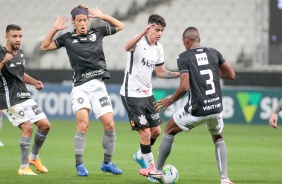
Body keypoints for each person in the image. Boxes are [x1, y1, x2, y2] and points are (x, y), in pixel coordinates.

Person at [139, 27, 236, 184]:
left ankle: (156, 171)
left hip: (198, 109)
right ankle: (225, 179)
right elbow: (231, 74)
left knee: (169, 129)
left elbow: (184, 87)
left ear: (186, 41)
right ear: (199, 39)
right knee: (217, 136)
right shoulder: (213, 52)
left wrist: (169, 100)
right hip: (216, 107)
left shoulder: (184, 57)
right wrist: (209, 72)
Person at [40, 4, 124, 176]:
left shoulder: (97, 32)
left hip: (99, 86)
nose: (83, 23)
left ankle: (107, 163)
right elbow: (44, 47)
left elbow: (120, 26)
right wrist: (55, 29)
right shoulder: (67, 38)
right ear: (74, 22)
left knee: (110, 124)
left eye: (85, 20)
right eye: (79, 21)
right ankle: (79, 165)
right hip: (81, 87)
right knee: (83, 125)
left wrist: (103, 15)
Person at [120, 14, 179, 183]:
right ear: (149, 27)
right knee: (145, 133)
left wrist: (179, 74)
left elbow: (161, 73)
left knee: (156, 131)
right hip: (131, 93)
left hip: (147, 94)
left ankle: (140, 155)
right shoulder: (137, 41)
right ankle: (152, 171)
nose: (159, 33)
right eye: (157, 29)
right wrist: (141, 33)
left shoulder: (158, 48)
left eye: (162, 30)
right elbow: (126, 47)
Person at [0, 24, 51, 175]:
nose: (18, 39)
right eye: (14, 36)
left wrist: (35, 82)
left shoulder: (20, 54)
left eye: (20, 36)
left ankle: (34, 158)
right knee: (27, 128)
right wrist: (3, 61)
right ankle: (23, 167)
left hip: (23, 95)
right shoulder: (0, 53)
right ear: (7, 37)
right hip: (9, 98)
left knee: (45, 125)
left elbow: (20, 75)